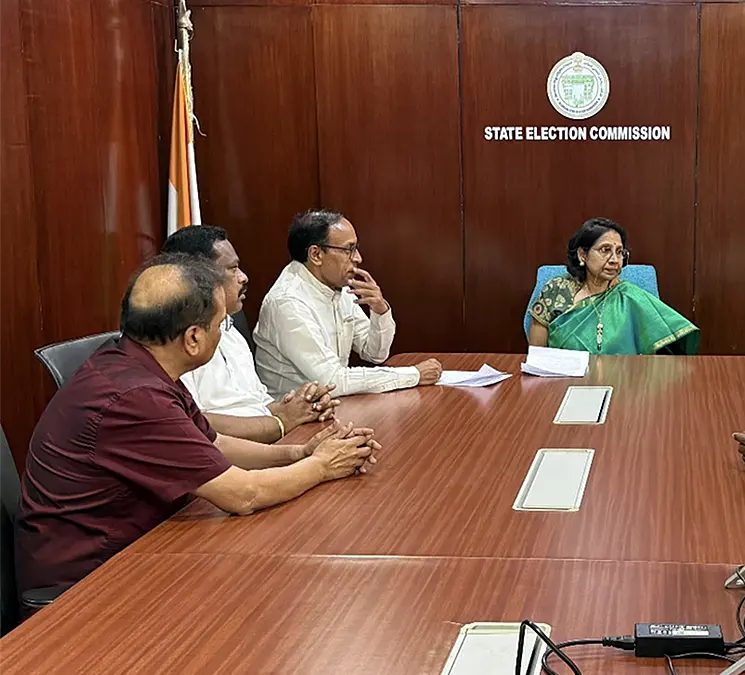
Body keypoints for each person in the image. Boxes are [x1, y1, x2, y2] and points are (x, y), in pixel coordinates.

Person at [16, 255, 382, 595]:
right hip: (83, 587)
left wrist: (298, 452)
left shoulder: (137, 365)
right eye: (219, 324)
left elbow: (213, 444)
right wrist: (321, 466)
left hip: (137, 551)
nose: (223, 332)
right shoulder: (135, 397)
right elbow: (243, 494)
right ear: (192, 338)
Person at [161, 225, 339, 443]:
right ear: (199, 277)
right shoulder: (172, 343)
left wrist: (301, 406)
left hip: (270, 440)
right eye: (232, 269)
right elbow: (193, 422)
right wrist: (281, 422)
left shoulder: (230, 329)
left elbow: (256, 403)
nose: (243, 278)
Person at [254, 210, 441, 397]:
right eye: (348, 250)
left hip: (330, 406)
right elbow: (333, 381)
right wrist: (414, 374)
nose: (358, 258)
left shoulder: (338, 288)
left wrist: (379, 311)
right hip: (295, 419)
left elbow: (375, 353)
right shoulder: (288, 303)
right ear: (316, 254)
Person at [527, 218, 699, 355]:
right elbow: (538, 357)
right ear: (582, 254)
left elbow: (657, 351)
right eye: (605, 250)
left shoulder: (631, 297)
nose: (615, 260)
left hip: (622, 381)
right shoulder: (556, 290)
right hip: (562, 383)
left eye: (620, 252)